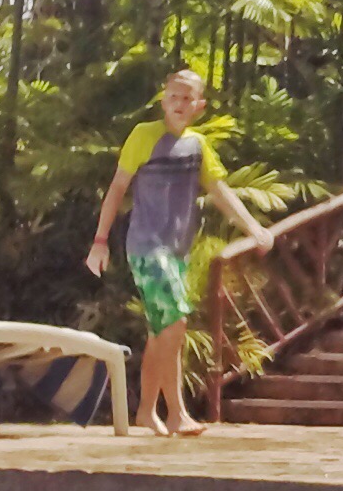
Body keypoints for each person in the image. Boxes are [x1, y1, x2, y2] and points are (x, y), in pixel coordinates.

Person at [85, 67, 268, 439]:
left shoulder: (198, 145)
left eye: (187, 98)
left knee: (161, 331)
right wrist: (100, 241)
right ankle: (177, 413)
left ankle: (146, 411)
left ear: (199, 106)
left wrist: (254, 228)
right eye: (173, 97)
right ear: (163, 100)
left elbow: (220, 191)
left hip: (177, 250)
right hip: (147, 246)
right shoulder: (144, 135)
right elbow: (117, 188)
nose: (179, 104)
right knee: (175, 324)